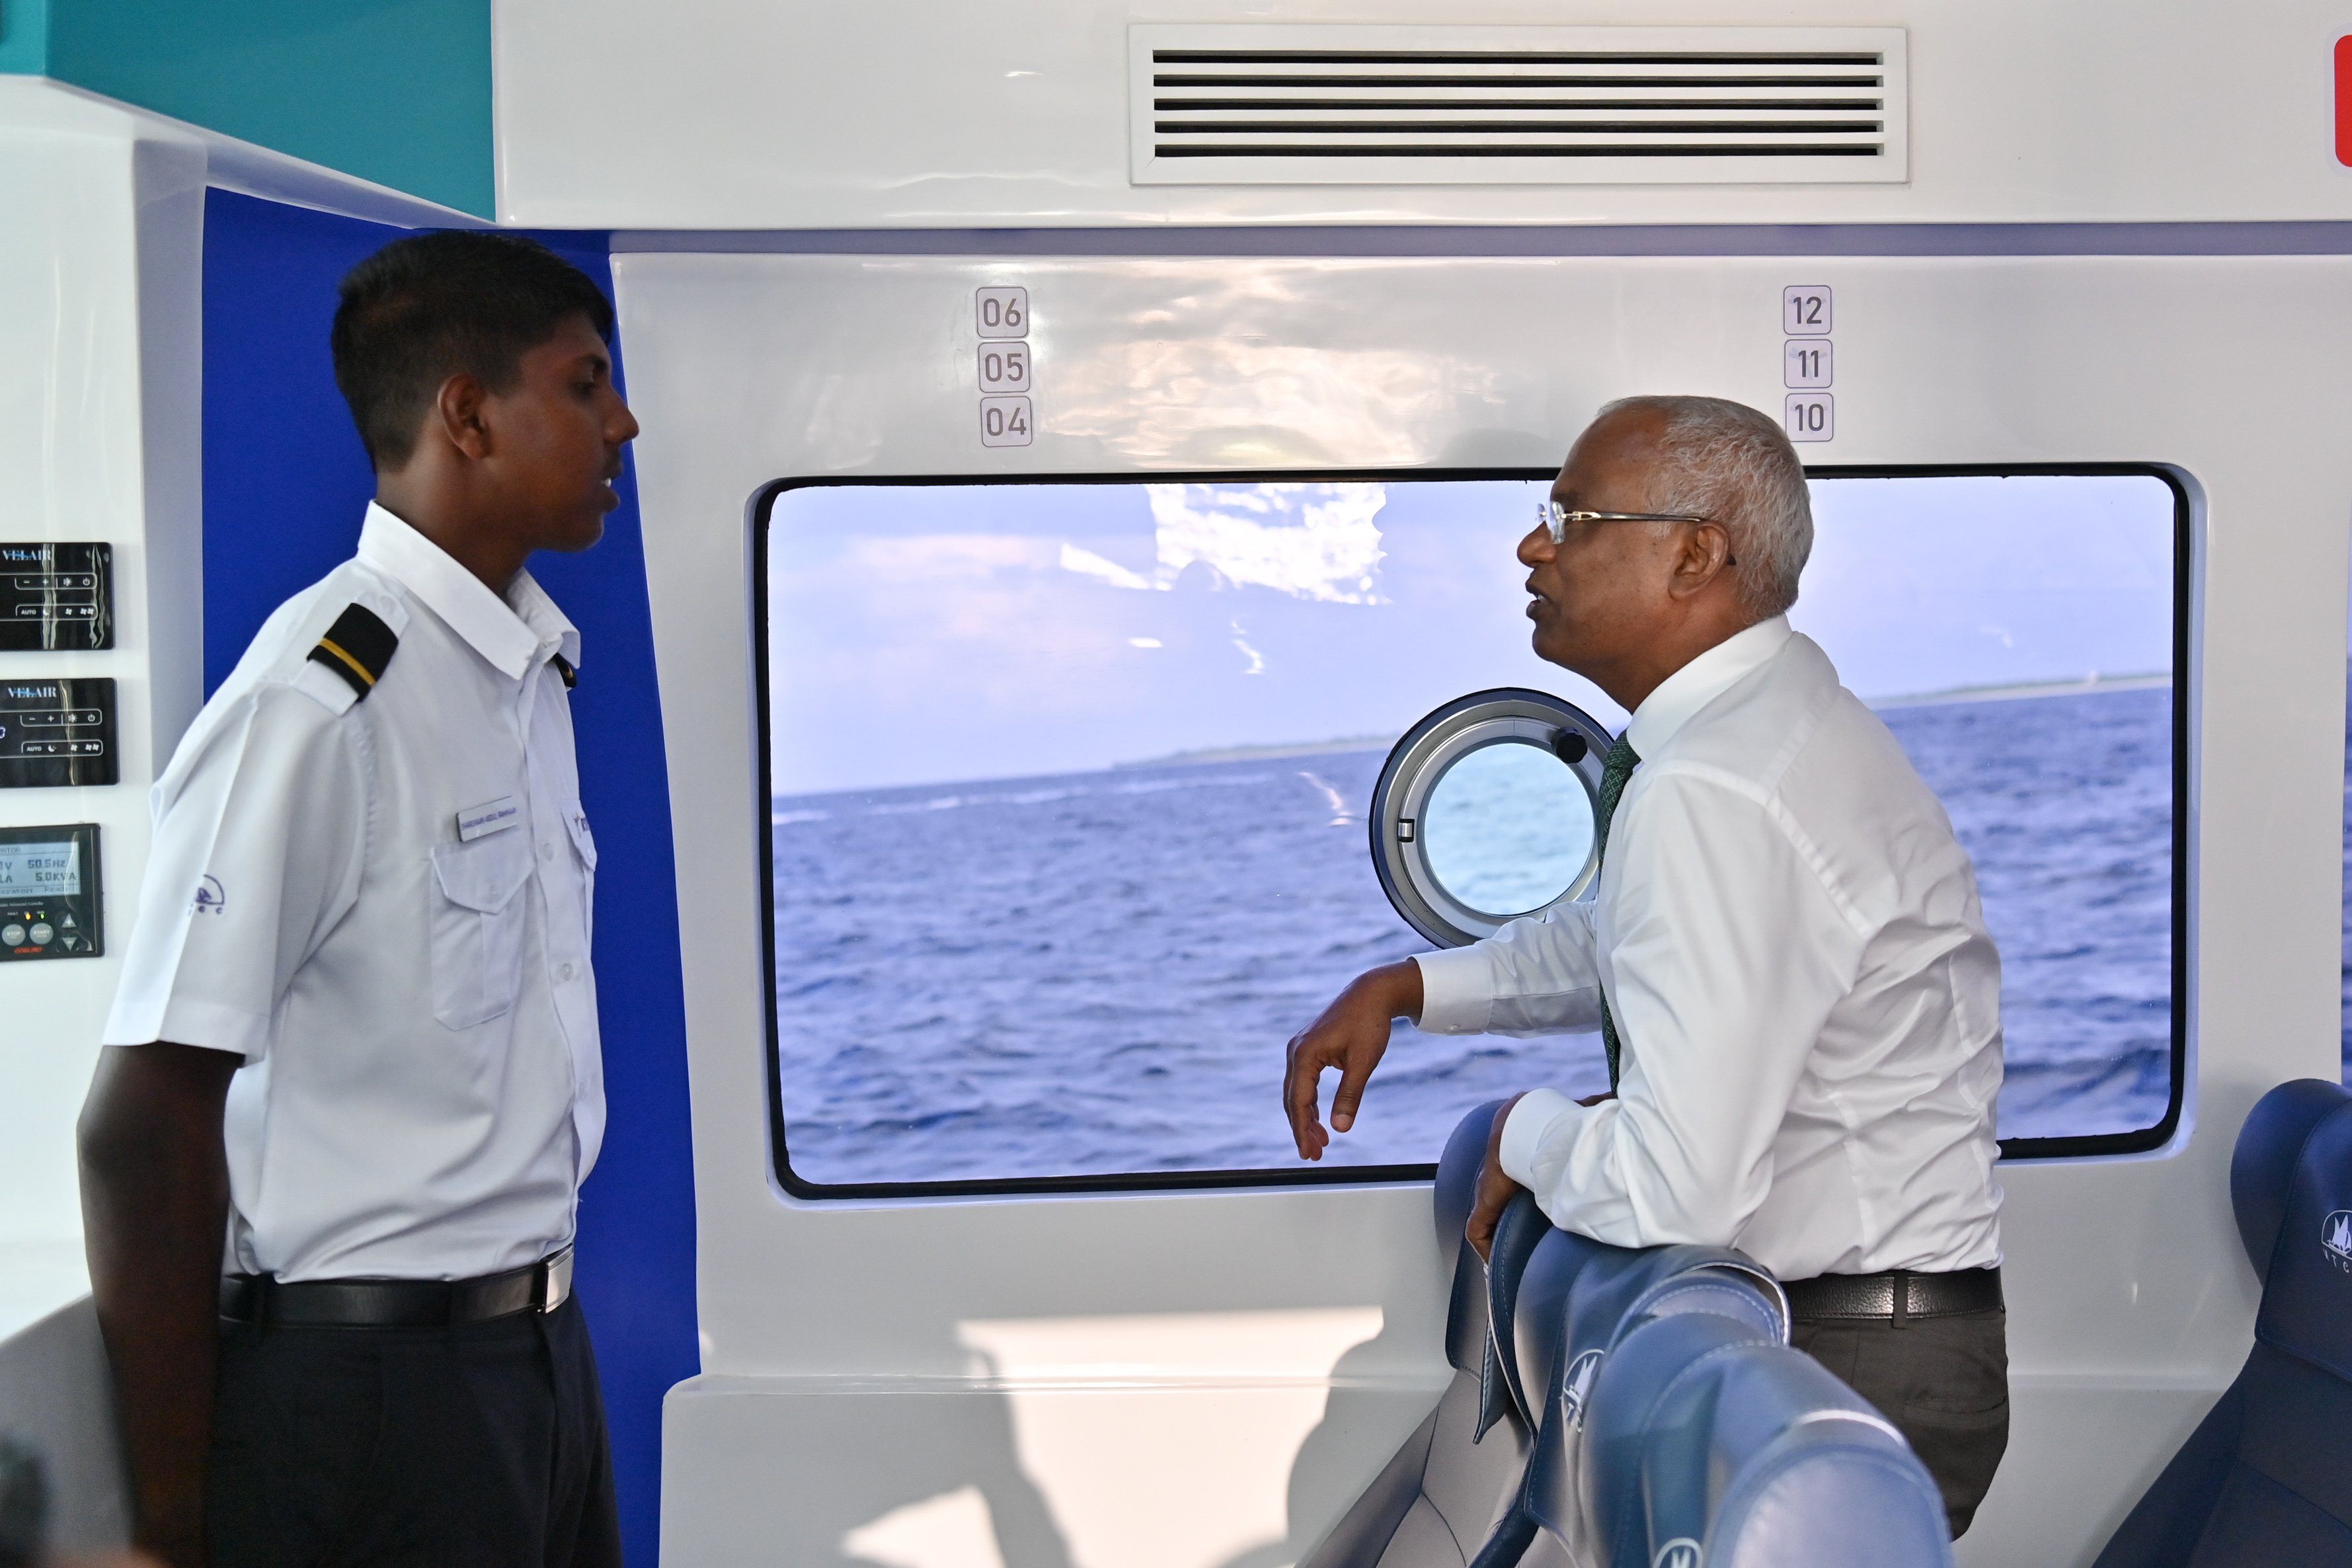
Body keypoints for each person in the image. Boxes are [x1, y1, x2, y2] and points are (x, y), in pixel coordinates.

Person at [1280, 395, 2008, 1536]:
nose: (1531, 549)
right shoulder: (1759, 727)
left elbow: (1679, 1187)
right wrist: (1413, 988)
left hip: (1837, 1360)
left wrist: (1520, 1132)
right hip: (1854, 1339)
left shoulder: (1718, 785)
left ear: (1694, 555)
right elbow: (1645, 937)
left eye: (1570, 519)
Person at [76, 231, 640, 1568]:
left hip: (536, 1367)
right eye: (584, 383)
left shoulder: (524, 676)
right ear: (467, 414)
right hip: (376, 1406)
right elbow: (144, 1118)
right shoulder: (323, 699)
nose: (622, 422)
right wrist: (175, 1519)